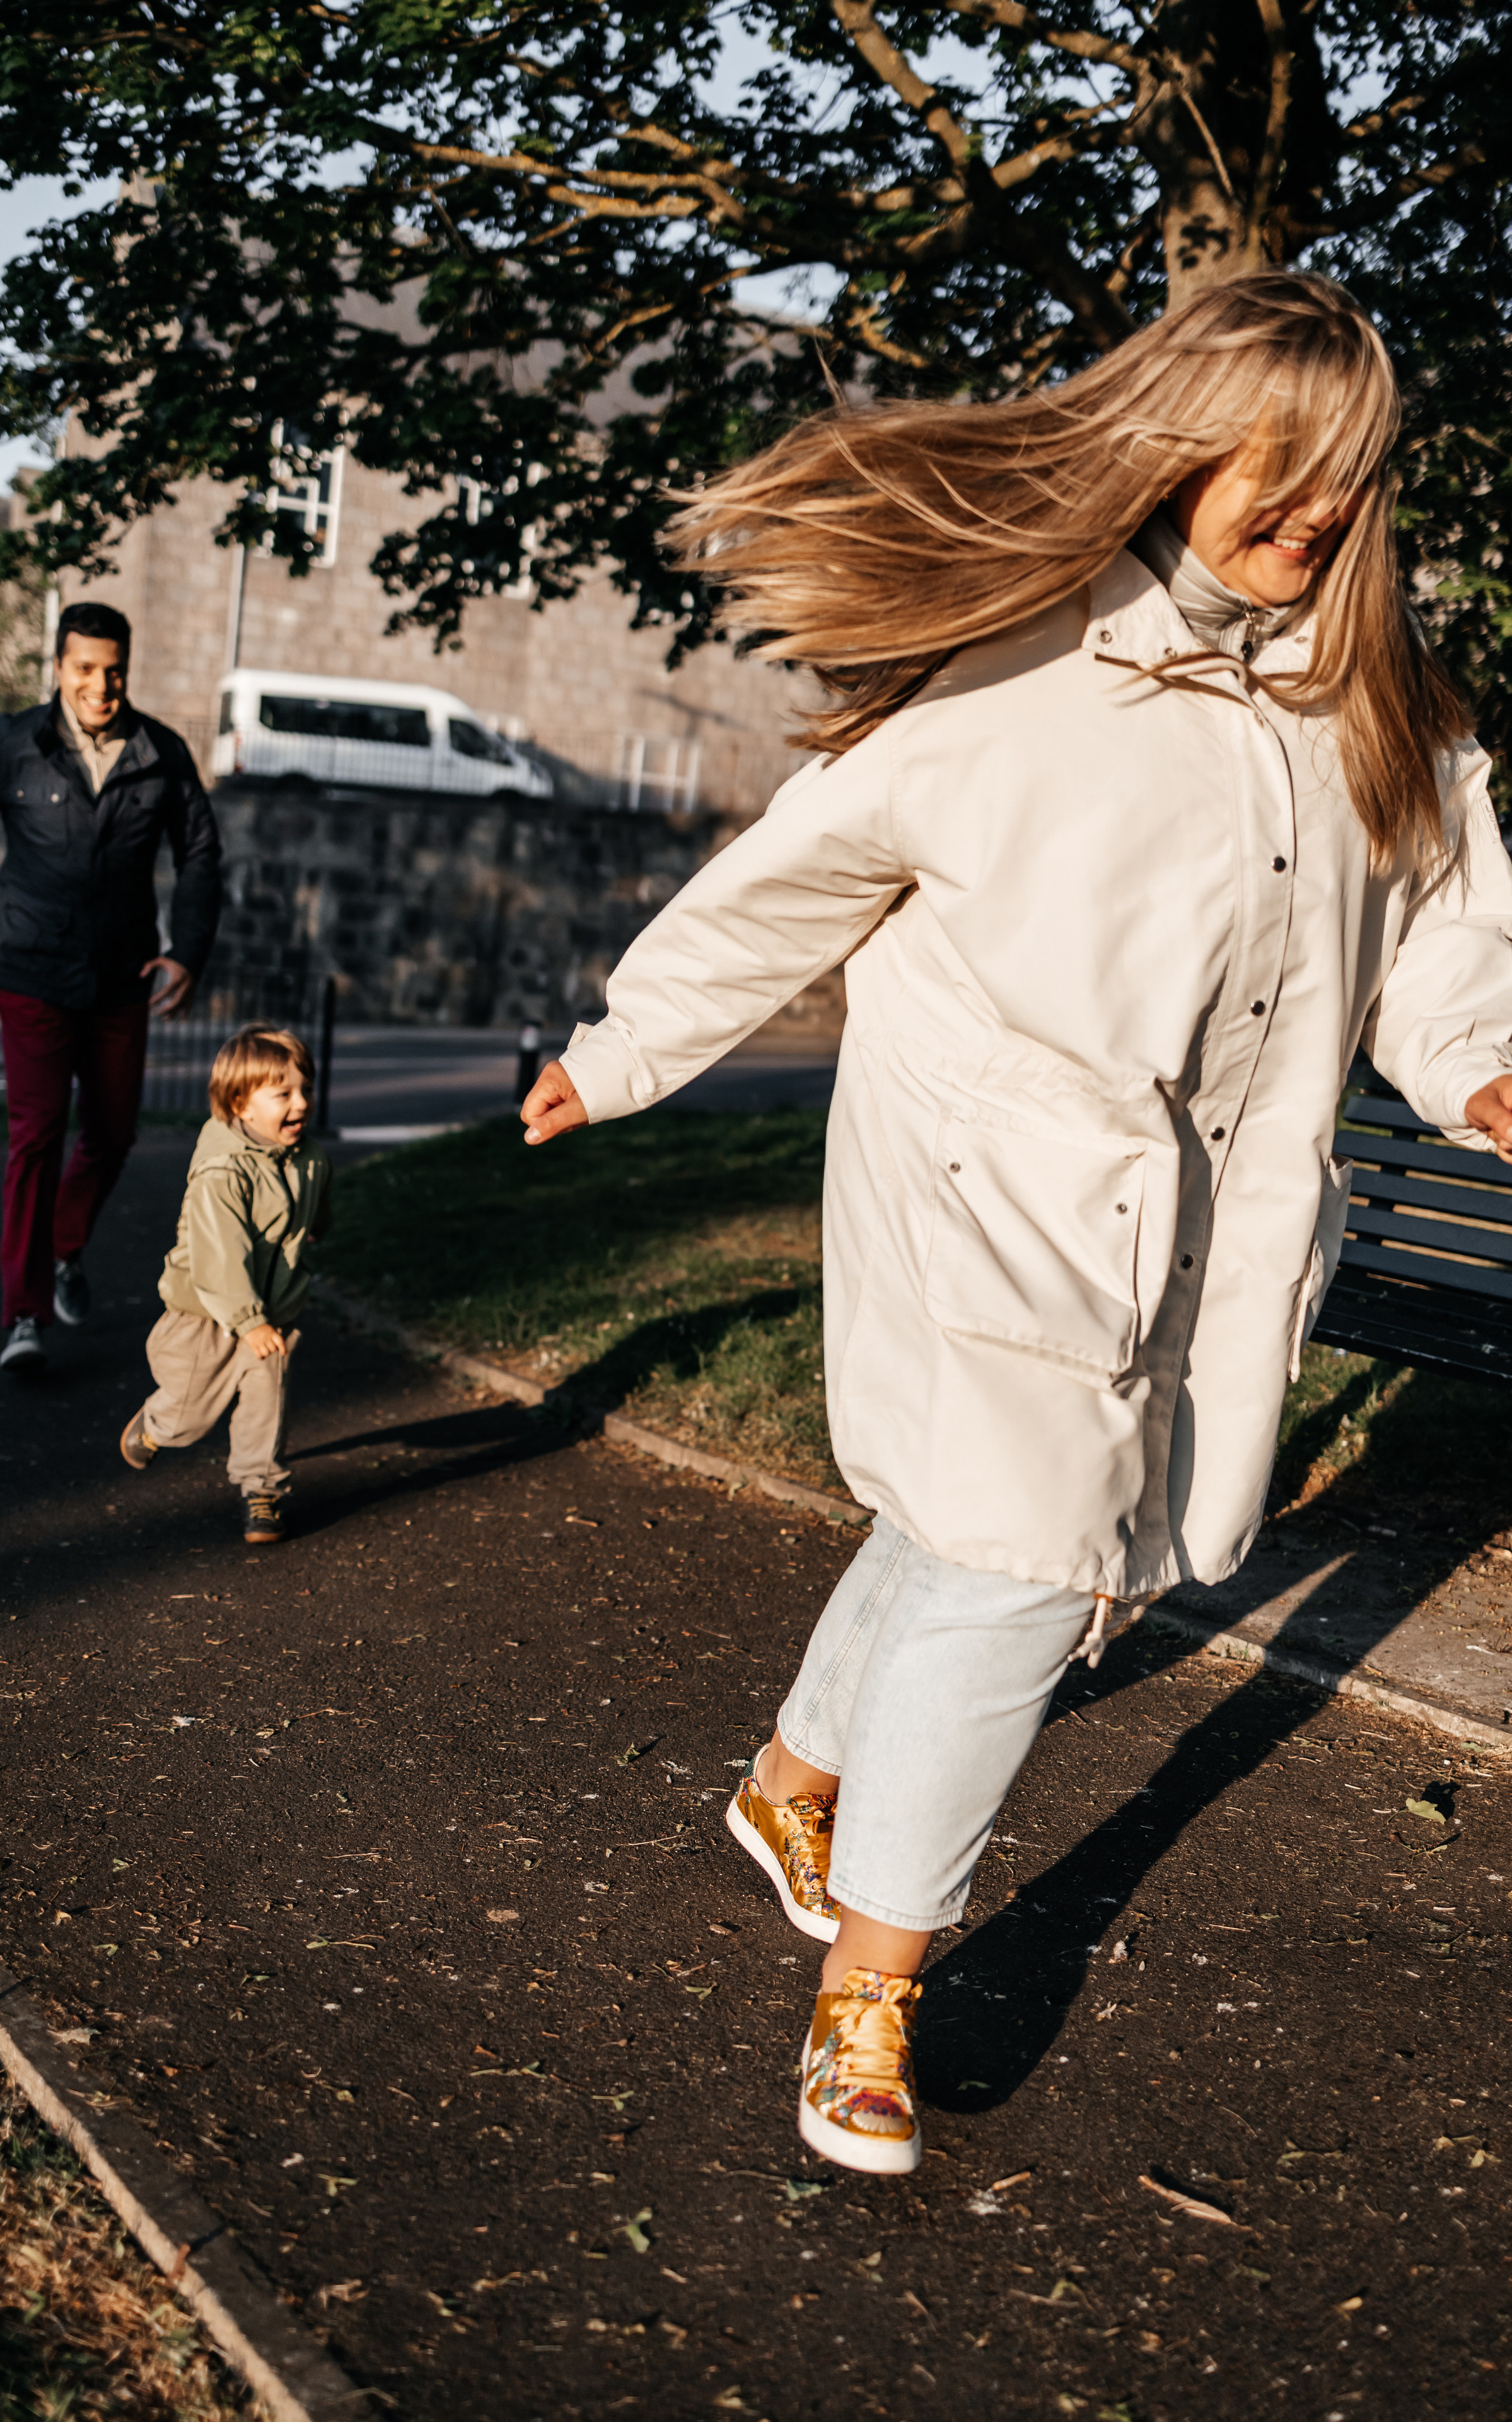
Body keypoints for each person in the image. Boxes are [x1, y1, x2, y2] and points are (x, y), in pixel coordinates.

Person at [518, 271, 1512, 2175]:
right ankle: (872, 1986)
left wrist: (1475, 1066)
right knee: (1025, 1565)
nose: (1313, 510)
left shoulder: (1377, 700)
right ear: (1180, 446)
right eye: (1279, 464)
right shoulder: (1015, 675)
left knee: (982, 1528)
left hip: (1204, 1215)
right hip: (993, 1183)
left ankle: (793, 1779)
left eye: (1350, 475)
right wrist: (625, 1046)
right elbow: (795, 875)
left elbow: (1441, 926)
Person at [0, 600, 221, 1372]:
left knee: (112, 1135)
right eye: (84, 669)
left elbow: (200, 855)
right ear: (59, 667)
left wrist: (188, 952)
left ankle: (61, 1248)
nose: (100, 686)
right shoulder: (13, 744)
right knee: (36, 1136)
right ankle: (24, 1311)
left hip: (121, 977)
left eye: (114, 671)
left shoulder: (162, 752)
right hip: (33, 972)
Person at [119, 1024, 330, 1547]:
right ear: (240, 1104)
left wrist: (318, 1227)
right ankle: (155, 1425)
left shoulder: (309, 1157)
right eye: (283, 1094)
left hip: (272, 1312)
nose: (301, 1103)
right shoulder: (223, 1171)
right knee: (189, 1416)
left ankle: (262, 1489)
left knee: (266, 1405)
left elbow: (314, 1203)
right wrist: (247, 1320)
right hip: (208, 1313)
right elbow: (219, 1257)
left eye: (305, 1089)